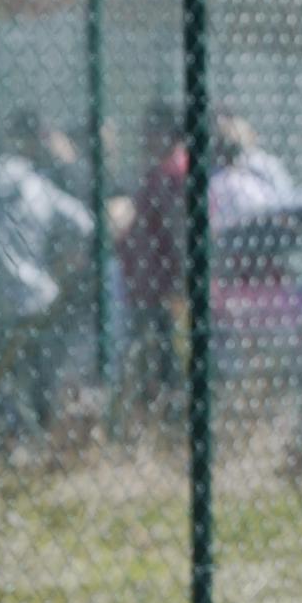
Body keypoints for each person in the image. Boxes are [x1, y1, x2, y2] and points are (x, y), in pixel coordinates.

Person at [0, 122, 93, 447]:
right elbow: (84, 223)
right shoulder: (37, 184)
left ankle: (17, 438)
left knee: (4, 378)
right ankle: (42, 438)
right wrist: (61, 265)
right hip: (40, 297)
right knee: (41, 371)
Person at [114, 101, 189, 416]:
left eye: (150, 133)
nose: (144, 140)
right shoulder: (159, 173)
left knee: (169, 361)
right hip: (149, 285)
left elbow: (180, 237)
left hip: (167, 289)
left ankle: (172, 417)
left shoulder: (173, 175)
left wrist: (180, 287)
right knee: (156, 360)